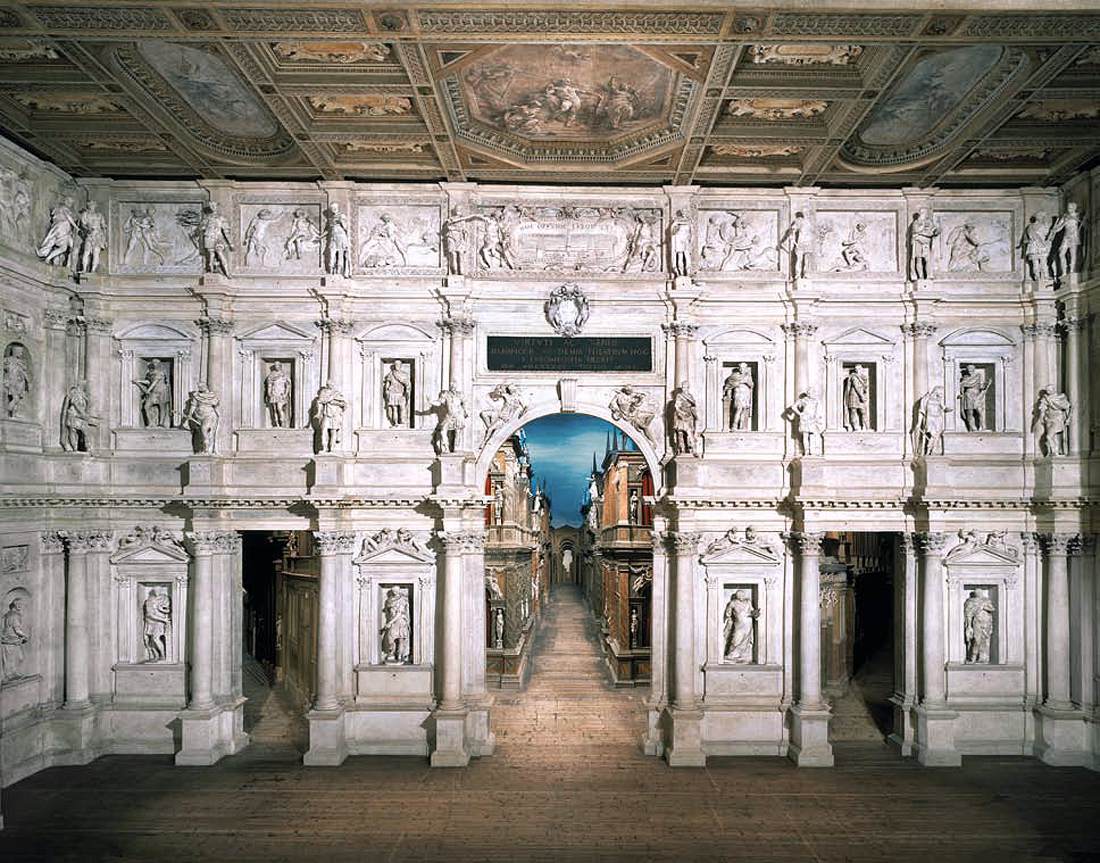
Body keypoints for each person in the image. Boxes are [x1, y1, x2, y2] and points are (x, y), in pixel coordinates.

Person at [36, 196, 77, 268]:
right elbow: (69, 218)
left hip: (62, 229)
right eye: (69, 202)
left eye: (71, 203)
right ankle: (48, 258)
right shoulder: (64, 208)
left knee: (68, 247)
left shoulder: (59, 208)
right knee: (64, 247)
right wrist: (76, 227)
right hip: (62, 229)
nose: (70, 204)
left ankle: (48, 257)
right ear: (66, 201)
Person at [199, 201, 234, 276]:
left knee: (219, 254)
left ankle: (227, 272)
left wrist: (230, 243)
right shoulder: (207, 218)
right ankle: (212, 273)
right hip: (209, 238)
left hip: (217, 238)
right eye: (212, 206)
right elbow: (202, 228)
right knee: (211, 257)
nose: (213, 207)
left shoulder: (220, 218)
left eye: (214, 206)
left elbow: (226, 231)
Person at [913, 386, 951, 456]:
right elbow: (921, 411)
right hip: (930, 419)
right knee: (932, 434)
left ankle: (932, 450)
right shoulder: (926, 399)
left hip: (938, 419)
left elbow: (944, 407)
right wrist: (918, 423)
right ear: (936, 391)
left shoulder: (939, 400)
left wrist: (948, 409)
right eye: (941, 393)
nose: (942, 395)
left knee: (936, 435)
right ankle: (928, 449)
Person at [134, 358, 171, 428]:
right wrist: (138, 381)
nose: (155, 364)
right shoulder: (149, 373)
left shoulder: (161, 373)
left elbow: (155, 382)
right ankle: (150, 423)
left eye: (157, 363)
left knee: (162, 407)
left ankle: (161, 424)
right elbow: (148, 382)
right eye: (154, 362)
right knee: (146, 406)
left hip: (162, 391)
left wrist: (148, 390)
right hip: (154, 392)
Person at [1048, 202, 1082, 278]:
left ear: (1074, 208)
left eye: (1070, 208)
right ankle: (1064, 271)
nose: (1069, 209)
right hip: (1066, 236)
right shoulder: (1065, 216)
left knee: (1073, 253)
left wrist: (1073, 218)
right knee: (1061, 254)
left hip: (1074, 236)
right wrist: (1054, 230)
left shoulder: (1077, 215)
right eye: (1068, 208)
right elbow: (1060, 227)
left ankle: (1072, 270)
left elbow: (1081, 222)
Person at [723, 590, 758, 664]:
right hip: (738, 624)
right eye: (740, 595)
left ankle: (742, 656)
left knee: (746, 640)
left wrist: (755, 613)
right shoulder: (733, 603)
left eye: (742, 595)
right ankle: (731, 655)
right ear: (737, 596)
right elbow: (728, 613)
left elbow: (752, 610)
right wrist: (728, 618)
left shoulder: (748, 602)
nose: (741, 597)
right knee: (736, 639)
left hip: (748, 623)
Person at [61, 381, 96, 452]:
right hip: (73, 415)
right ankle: (74, 447)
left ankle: (86, 447)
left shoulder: (83, 394)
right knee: (74, 430)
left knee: (83, 431)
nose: (85, 385)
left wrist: (85, 415)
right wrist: (84, 415)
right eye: (83, 383)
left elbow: (85, 405)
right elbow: (76, 405)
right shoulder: (74, 392)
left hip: (79, 416)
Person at [312, 382, 347, 452]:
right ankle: (323, 447)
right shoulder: (324, 392)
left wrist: (333, 402)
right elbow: (320, 401)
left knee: (333, 432)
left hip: (335, 415)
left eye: (331, 384)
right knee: (323, 430)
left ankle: (332, 449)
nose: (330, 385)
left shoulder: (337, 393)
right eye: (328, 384)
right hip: (327, 414)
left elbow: (344, 404)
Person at [963, 588, 995, 664]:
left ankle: (982, 658)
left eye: (980, 592)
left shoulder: (986, 601)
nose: (979, 594)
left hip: (986, 623)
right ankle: (973, 657)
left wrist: (983, 606)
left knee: (984, 641)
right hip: (977, 622)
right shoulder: (971, 601)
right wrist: (969, 626)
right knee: (976, 640)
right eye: (977, 592)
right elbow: (969, 614)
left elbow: (992, 609)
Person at [380, 586, 411, 664]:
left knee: (400, 639)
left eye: (396, 590)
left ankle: (399, 656)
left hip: (400, 621)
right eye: (393, 590)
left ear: (398, 591)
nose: (395, 592)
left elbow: (399, 613)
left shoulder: (402, 600)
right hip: (393, 621)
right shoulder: (389, 600)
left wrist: (390, 623)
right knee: (390, 639)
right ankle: (391, 653)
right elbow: (388, 612)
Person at [1, 595, 29, 680]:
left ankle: (12, 675)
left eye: (21, 604)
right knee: (16, 658)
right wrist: (25, 636)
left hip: (7, 641)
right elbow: (17, 630)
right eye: (19, 604)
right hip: (11, 641)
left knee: (12, 659)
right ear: (15, 605)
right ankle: (11, 675)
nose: (21, 606)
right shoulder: (15, 615)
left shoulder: (6, 615)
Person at [909, 208, 939, 280]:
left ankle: (928, 275)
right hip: (918, 241)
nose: (923, 214)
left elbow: (933, 230)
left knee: (927, 259)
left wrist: (936, 231)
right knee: (918, 259)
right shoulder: (916, 222)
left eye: (924, 212)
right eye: (922, 212)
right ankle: (920, 276)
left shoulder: (929, 222)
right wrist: (924, 228)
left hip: (926, 242)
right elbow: (916, 230)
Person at [142, 588, 171, 663]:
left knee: (155, 639)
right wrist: (163, 619)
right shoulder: (149, 602)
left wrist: (162, 612)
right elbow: (149, 614)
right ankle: (156, 656)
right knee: (149, 640)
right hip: (150, 622)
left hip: (158, 623)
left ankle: (162, 655)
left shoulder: (163, 598)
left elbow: (167, 610)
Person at [723, 362, 754, 431]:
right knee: (738, 408)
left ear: (746, 368)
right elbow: (729, 385)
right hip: (738, 393)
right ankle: (734, 426)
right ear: (739, 368)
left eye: (744, 368)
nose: (742, 369)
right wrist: (728, 394)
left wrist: (747, 382)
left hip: (745, 394)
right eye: (741, 368)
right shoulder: (735, 375)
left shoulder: (748, 376)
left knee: (744, 410)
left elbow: (751, 385)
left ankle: (741, 427)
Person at [958, 364, 990, 431]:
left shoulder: (978, 376)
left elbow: (981, 386)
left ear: (974, 369)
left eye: (971, 369)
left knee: (980, 411)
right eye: (968, 369)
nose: (969, 370)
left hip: (977, 395)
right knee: (970, 412)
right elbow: (962, 386)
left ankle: (983, 427)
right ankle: (973, 428)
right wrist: (961, 393)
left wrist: (986, 385)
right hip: (968, 395)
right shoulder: (965, 378)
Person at [78, 200, 106, 273]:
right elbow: (82, 224)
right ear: (88, 206)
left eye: (93, 204)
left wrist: (104, 239)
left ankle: (93, 270)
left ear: (95, 206)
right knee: (86, 252)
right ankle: (84, 269)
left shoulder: (99, 215)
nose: (91, 206)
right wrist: (88, 229)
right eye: (90, 205)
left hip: (98, 236)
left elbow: (103, 227)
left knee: (96, 253)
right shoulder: (85, 214)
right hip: (89, 235)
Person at [669, 382, 698, 454]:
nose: (684, 389)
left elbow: (693, 405)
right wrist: (682, 413)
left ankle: (693, 449)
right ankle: (681, 449)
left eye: (685, 387)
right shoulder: (679, 396)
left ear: (688, 387)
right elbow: (677, 407)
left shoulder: (690, 396)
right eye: (683, 387)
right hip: (681, 417)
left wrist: (694, 414)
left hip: (689, 416)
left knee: (690, 433)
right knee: (680, 433)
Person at [382, 360, 412, 427]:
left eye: (398, 364)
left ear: (401, 366)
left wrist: (407, 391)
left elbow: (408, 384)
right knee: (394, 408)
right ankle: (395, 423)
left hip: (401, 393)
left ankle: (402, 422)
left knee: (402, 407)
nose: (397, 366)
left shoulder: (404, 374)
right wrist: (387, 391)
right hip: (393, 393)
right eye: (396, 364)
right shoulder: (391, 374)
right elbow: (387, 384)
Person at [325, 203, 351, 277]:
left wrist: (341, 221)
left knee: (342, 254)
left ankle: (342, 272)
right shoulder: (330, 219)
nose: (333, 209)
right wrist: (320, 237)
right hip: (333, 237)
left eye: (335, 208)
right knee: (332, 255)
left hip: (341, 237)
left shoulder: (342, 216)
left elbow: (346, 227)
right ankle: (332, 272)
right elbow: (328, 230)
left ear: (337, 208)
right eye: (332, 208)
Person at [263, 363, 292, 428]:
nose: (276, 366)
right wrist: (269, 393)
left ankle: (282, 423)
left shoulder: (284, 375)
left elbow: (288, 386)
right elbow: (269, 385)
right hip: (274, 394)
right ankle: (276, 424)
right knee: (274, 409)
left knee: (279, 408)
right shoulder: (271, 375)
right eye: (275, 365)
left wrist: (285, 394)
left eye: (278, 365)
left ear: (280, 366)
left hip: (281, 394)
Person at [843, 365, 870, 431]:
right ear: (855, 370)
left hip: (860, 395)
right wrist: (861, 396)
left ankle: (865, 427)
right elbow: (856, 387)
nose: (858, 370)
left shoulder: (863, 377)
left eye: (860, 369)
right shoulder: (853, 377)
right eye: (857, 369)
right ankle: (855, 427)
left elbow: (864, 387)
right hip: (853, 395)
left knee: (863, 411)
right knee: (853, 411)